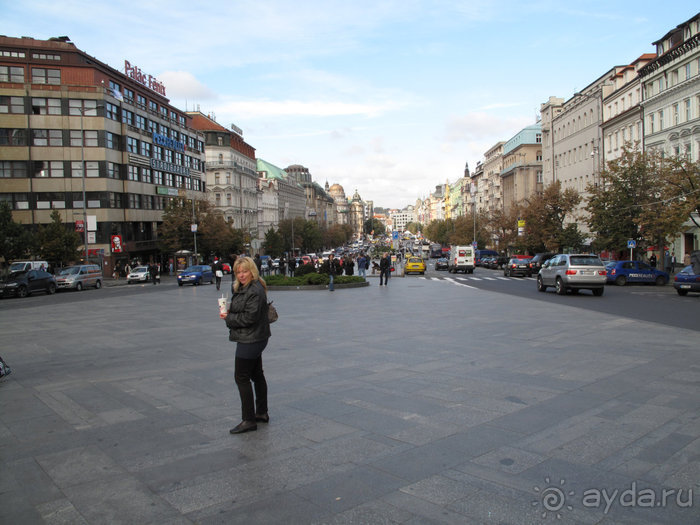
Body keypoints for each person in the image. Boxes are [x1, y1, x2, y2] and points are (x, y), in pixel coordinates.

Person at [224, 257, 271, 435]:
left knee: (241, 377)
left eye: (244, 271)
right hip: (255, 337)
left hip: (251, 339)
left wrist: (228, 318)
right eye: (238, 272)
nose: (241, 275)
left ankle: (249, 420)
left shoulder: (254, 289)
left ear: (252, 270)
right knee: (256, 374)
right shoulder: (245, 287)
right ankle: (261, 412)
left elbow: (248, 318)